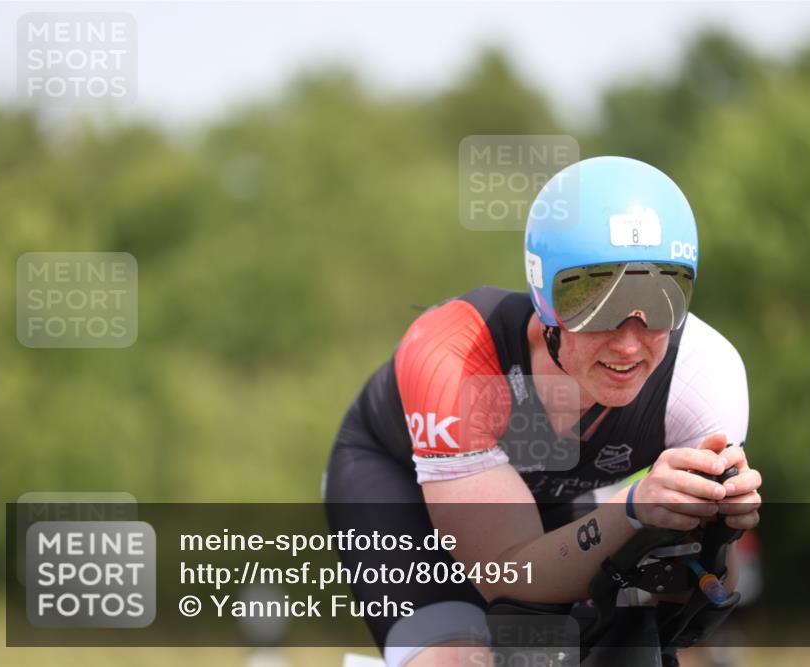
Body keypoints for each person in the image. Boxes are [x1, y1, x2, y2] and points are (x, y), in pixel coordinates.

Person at [325, 156, 762, 667]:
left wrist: (717, 530)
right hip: (399, 489)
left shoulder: (705, 373)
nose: (628, 345)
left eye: (661, 303)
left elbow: (699, 598)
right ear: (545, 299)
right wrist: (633, 509)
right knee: (462, 660)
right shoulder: (457, 356)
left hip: (552, 494)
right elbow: (505, 579)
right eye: (597, 308)